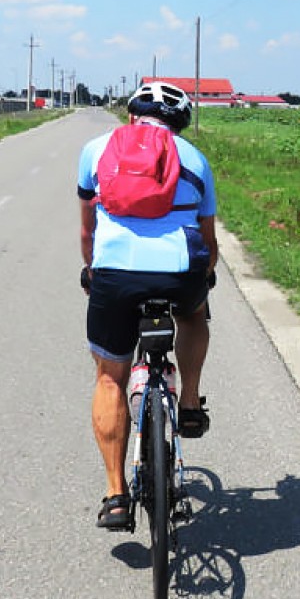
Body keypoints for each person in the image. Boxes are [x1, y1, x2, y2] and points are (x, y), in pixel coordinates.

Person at [77, 81, 217, 530]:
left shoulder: (96, 150)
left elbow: (87, 233)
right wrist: (204, 275)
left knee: (109, 378)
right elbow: (209, 242)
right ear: (180, 122)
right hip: (179, 274)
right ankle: (190, 402)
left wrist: (92, 271)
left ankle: (116, 494)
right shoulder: (194, 159)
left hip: (115, 274)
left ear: (133, 113)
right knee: (194, 311)